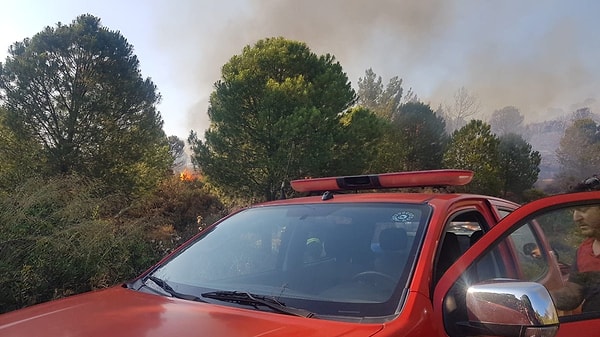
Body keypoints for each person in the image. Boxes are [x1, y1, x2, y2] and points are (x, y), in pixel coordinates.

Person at [550, 175, 600, 313]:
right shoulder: (583, 250)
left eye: (583, 210)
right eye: (575, 210)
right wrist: (544, 299)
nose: (576, 218)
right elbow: (573, 294)